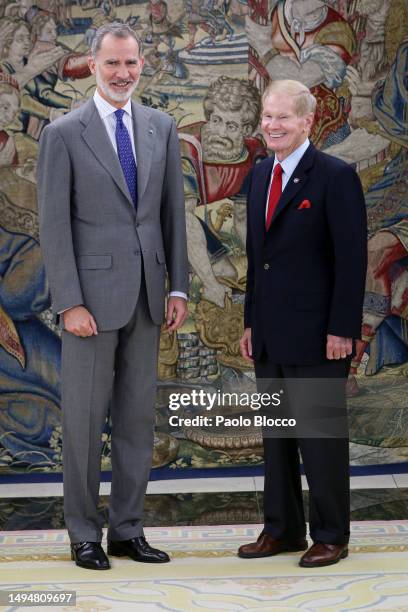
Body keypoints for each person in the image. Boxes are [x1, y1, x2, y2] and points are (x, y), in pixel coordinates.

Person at [37, 22, 188, 570]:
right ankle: (83, 533)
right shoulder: (63, 133)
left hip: (149, 296)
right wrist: (69, 301)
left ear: (142, 64)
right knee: (83, 422)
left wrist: (177, 285)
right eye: (112, 64)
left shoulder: (160, 127)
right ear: (93, 65)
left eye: (131, 63)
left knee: (134, 422)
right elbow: (53, 226)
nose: (123, 73)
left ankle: (127, 529)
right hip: (89, 306)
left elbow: (172, 213)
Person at [238, 79, 367, 567]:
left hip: (319, 335)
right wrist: (251, 322)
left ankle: (331, 534)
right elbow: (258, 258)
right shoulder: (257, 175)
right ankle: (283, 529)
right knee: (277, 439)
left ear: (307, 122)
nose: (271, 125)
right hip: (269, 333)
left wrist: (343, 329)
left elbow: (351, 260)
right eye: (267, 117)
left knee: (320, 439)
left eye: (282, 117)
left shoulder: (334, 177)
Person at [179, 75, 266, 307]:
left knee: (227, 273)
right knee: (214, 281)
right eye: (215, 120)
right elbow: (181, 218)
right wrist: (210, 284)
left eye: (231, 126)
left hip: (185, 225)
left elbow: (243, 219)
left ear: (246, 130)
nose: (220, 133)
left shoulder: (252, 156)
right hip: (155, 224)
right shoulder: (186, 150)